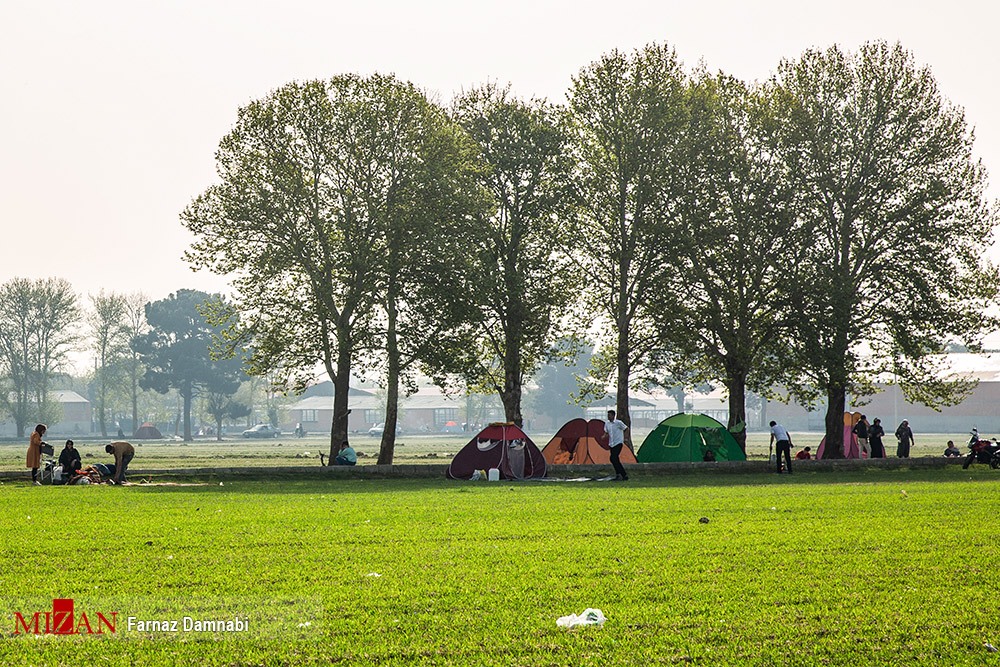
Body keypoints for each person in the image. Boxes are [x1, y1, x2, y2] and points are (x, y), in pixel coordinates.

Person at [604, 410, 629, 481]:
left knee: (613, 458)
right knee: (615, 459)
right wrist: (603, 436)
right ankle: (619, 474)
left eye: (609, 415)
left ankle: (623, 474)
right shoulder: (607, 423)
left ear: (613, 415)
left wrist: (626, 438)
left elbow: (626, 428)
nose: (608, 416)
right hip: (611, 443)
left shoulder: (618, 423)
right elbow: (606, 432)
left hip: (618, 443)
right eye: (608, 415)